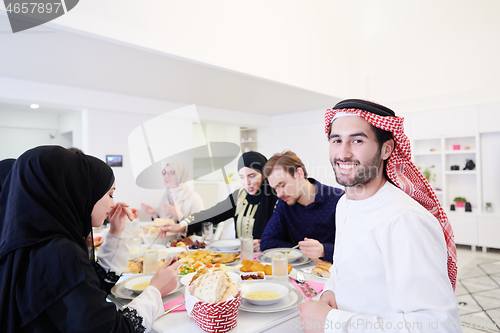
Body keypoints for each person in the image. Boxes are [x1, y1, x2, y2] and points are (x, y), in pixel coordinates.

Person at [298, 99, 460, 332]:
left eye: (357, 140)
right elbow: (346, 265)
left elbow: (438, 325)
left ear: (386, 149)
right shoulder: (344, 204)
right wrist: (332, 289)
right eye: (336, 140)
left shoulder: (404, 220)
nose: (343, 153)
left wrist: (332, 322)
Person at [0, 146, 180, 333]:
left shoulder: (31, 243)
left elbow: (90, 288)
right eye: (109, 194)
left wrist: (116, 232)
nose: (112, 203)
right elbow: (113, 329)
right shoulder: (57, 251)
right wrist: (155, 290)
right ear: (79, 190)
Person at [160, 152, 278, 252]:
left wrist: (266, 244)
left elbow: (287, 236)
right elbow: (211, 214)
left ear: (264, 174)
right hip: (242, 260)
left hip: (272, 261)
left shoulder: (277, 197)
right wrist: (182, 225)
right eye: (241, 177)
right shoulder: (239, 196)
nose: (246, 182)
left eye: (252, 176)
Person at [260, 151, 344, 263]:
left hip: (333, 273)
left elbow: (356, 249)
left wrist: (324, 250)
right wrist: (301, 251)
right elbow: (267, 242)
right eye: (275, 189)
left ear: (299, 174)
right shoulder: (284, 202)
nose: (279, 194)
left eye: (282, 185)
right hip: (299, 274)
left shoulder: (339, 200)